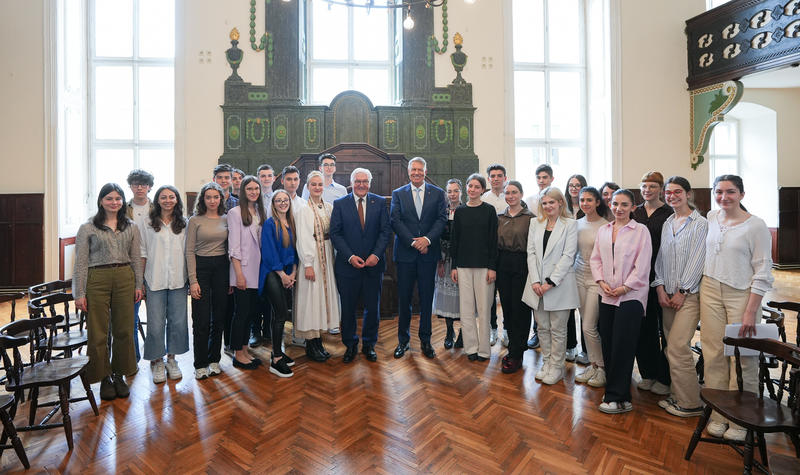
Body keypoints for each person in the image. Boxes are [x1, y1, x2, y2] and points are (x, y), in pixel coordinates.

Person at [700, 175, 773, 441]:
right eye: (718, 191)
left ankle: (742, 420)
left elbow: (763, 270)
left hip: (741, 294)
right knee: (714, 353)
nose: (723, 197)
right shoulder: (710, 217)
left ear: (741, 194)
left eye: (730, 192)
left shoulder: (756, 226)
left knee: (744, 358)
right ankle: (719, 414)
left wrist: (751, 310)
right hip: (709, 288)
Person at [73, 183, 143, 401]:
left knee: (123, 329)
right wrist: (79, 293)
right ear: (101, 201)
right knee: (98, 332)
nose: (114, 202)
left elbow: (136, 258)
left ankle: (119, 374)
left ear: (123, 201)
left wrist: (138, 285)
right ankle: (103, 378)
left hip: (124, 277)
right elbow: (81, 263)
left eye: (118, 198)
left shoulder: (131, 226)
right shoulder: (88, 228)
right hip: (97, 279)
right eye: (109, 198)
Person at [590, 189, 652, 414]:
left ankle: (615, 396)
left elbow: (643, 265)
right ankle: (621, 395)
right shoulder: (604, 230)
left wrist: (625, 287)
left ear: (633, 208)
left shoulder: (640, 231)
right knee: (608, 344)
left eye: (624, 204)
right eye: (615, 204)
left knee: (623, 347)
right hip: (607, 294)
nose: (619, 208)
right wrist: (601, 281)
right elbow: (595, 259)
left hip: (631, 297)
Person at [652, 176, 707, 418]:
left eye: (677, 192)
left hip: (688, 297)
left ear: (688, 193)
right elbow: (661, 259)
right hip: (667, 296)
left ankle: (691, 403)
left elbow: (698, 259)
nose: (672, 196)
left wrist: (682, 292)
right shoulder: (667, 222)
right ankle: (677, 393)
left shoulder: (700, 223)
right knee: (669, 348)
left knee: (677, 347)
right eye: (668, 193)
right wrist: (660, 288)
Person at [330, 168, 392, 363]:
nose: (361, 185)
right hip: (348, 267)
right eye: (358, 181)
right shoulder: (340, 204)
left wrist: (376, 255)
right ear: (351, 183)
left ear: (370, 183)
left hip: (374, 266)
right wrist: (350, 257)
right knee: (348, 309)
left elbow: (385, 232)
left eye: (365, 181)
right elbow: (335, 234)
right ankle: (350, 345)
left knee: (372, 308)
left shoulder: (380, 202)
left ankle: (369, 345)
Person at [390, 157, 447, 359]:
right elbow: (395, 221)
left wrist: (427, 240)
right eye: (413, 169)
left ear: (425, 171)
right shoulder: (398, 194)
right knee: (404, 299)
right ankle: (402, 341)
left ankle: (426, 340)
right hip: (406, 254)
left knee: (426, 299)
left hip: (428, 255)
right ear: (408, 171)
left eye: (420, 170)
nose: (416, 173)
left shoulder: (438, 193)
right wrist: (414, 242)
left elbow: (442, 219)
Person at [522, 187, 579, 384]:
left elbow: (568, 256)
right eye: (544, 203)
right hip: (536, 285)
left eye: (551, 202)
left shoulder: (570, 225)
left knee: (558, 329)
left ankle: (557, 367)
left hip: (559, 285)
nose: (547, 206)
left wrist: (550, 282)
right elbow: (530, 253)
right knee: (542, 328)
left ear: (560, 203)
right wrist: (536, 281)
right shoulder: (534, 224)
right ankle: (546, 363)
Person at [140, 185, 189, 383]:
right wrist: (139, 281)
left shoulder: (184, 223)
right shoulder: (147, 223)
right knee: (155, 323)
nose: (168, 200)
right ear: (158, 200)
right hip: (154, 279)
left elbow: (188, 252)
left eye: (171, 197)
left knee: (177, 322)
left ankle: (172, 359)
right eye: (163, 197)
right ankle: (157, 361)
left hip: (178, 279)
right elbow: (142, 251)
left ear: (177, 200)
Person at [631, 171, 673, 396]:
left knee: (665, 330)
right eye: (645, 186)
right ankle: (648, 373)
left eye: (653, 186)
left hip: (663, 277)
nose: (648, 190)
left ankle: (665, 378)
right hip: (639, 278)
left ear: (661, 189)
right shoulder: (634, 211)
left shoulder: (668, 213)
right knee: (644, 328)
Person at [450, 174, 498, 362]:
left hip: (485, 267)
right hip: (463, 266)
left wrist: (492, 267)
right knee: (466, 309)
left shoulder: (489, 210)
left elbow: (493, 241)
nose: (472, 189)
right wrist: (454, 266)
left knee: (484, 309)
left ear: (482, 190)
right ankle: (471, 348)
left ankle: (484, 350)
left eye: (477, 187)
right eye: (470, 186)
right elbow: (456, 241)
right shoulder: (460, 211)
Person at [296, 171, 340, 362]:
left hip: (326, 256)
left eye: (320, 184)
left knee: (323, 299)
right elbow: (304, 237)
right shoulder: (303, 210)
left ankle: (319, 342)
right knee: (312, 299)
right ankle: (311, 345)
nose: (317, 188)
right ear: (307, 187)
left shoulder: (329, 207)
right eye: (313, 184)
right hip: (312, 258)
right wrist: (307, 263)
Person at [186, 182, 229, 380]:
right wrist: (193, 281)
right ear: (203, 200)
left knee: (219, 317)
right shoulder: (195, 220)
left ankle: (214, 360)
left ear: (221, 199)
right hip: (201, 268)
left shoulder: (227, 219)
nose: (212, 201)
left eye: (216, 197)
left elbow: (231, 248)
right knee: (201, 319)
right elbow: (189, 251)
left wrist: (231, 279)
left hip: (221, 267)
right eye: (208, 197)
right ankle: (200, 363)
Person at [228, 176, 267, 370]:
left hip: (257, 269)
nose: (253, 192)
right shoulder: (235, 212)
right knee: (241, 313)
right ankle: (237, 354)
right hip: (242, 270)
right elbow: (233, 247)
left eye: (256, 189)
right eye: (249, 189)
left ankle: (245, 350)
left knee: (251, 312)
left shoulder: (260, 211)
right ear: (243, 191)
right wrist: (238, 275)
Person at [259, 190, 299, 377]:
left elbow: (295, 251)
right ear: (273, 204)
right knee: (281, 314)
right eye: (278, 201)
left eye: (285, 200)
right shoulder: (270, 224)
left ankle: (278, 350)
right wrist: (283, 274)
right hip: (272, 273)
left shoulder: (291, 223)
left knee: (281, 313)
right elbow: (269, 253)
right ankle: (275, 359)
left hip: (287, 273)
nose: (283, 203)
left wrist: (293, 272)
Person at [496, 181, 534, 374]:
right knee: (508, 309)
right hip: (503, 263)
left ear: (521, 194)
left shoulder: (530, 218)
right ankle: (513, 347)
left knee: (521, 309)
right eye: (507, 193)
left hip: (523, 263)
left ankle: (517, 353)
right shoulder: (499, 217)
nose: (510, 196)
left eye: (514, 192)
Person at [573, 187, 609, 388]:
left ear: (597, 202)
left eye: (589, 200)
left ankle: (602, 367)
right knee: (585, 327)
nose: (585, 203)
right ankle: (593, 365)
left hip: (597, 281)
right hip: (578, 277)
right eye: (582, 200)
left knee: (589, 326)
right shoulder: (576, 224)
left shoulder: (606, 226)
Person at [524, 163, 554, 349]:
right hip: (535, 249)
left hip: (553, 251)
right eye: (539, 178)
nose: (542, 181)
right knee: (537, 298)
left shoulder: (557, 196)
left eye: (545, 177)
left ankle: (563, 340)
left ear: (551, 178)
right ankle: (537, 332)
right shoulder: (529, 200)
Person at [126, 169, 154, 363]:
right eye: (136, 184)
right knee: (130, 317)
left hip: (154, 265)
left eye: (143, 184)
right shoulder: (123, 209)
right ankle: (133, 358)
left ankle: (155, 356)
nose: (140, 188)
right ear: (131, 186)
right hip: (131, 265)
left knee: (156, 317)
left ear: (149, 187)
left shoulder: (158, 208)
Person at [433, 178, 463, 350]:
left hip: (461, 259)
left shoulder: (466, 210)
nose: (452, 194)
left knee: (462, 298)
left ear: (461, 192)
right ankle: (449, 331)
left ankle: (463, 332)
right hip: (444, 258)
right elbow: (437, 236)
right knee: (446, 298)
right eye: (449, 191)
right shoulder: (442, 212)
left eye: (456, 191)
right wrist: (440, 260)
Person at [481, 164, 508, 347]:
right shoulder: (483, 199)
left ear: (505, 178)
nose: (496, 178)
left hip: (507, 253)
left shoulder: (511, 196)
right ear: (488, 179)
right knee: (489, 297)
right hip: (488, 253)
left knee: (506, 296)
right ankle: (492, 330)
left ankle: (506, 331)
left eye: (499, 175)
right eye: (493, 176)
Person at [563, 174, 589, 365]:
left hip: (583, 265)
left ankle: (587, 350)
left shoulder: (588, 209)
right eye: (571, 185)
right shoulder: (562, 208)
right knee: (568, 309)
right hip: (565, 265)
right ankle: (570, 345)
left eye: (578, 185)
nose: (574, 188)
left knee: (586, 313)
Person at [253, 163, 275, 347]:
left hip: (273, 252)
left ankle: (268, 329)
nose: (266, 179)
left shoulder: (279, 197)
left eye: (269, 176)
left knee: (270, 293)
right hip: (255, 252)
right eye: (263, 176)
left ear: (274, 178)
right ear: (258, 178)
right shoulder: (254, 198)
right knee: (256, 293)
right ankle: (255, 331)